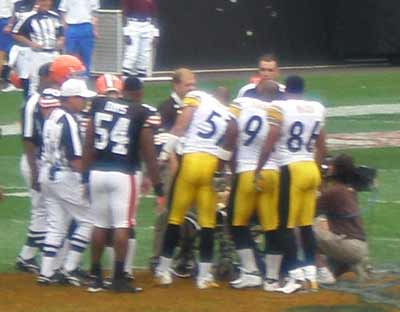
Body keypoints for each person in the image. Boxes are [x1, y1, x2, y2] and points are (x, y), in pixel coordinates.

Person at [82, 76, 164, 293]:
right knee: (122, 225)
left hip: (97, 171)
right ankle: (118, 276)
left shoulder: (99, 103)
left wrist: (84, 175)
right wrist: (158, 185)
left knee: (99, 224)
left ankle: (95, 274)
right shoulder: (140, 111)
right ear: (139, 93)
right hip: (123, 172)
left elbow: (88, 141)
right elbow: (148, 151)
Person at [155, 88, 237, 289]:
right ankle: (204, 277)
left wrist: (165, 154)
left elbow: (180, 126)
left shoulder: (198, 97)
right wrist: (220, 168)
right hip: (210, 164)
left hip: (191, 161)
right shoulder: (229, 114)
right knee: (207, 223)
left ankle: (163, 271)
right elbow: (231, 139)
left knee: (175, 218)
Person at [255, 75, 326, 294]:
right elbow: (322, 146)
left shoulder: (280, 106)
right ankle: (312, 277)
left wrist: (259, 168)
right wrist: (317, 171)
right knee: (305, 225)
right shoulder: (316, 108)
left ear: (287, 90)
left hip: (291, 168)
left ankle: (294, 275)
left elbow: (270, 140)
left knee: (285, 224)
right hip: (310, 168)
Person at [38, 79, 96, 285]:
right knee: (90, 220)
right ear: (71, 98)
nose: (84, 102)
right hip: (64, 175)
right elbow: (75, 157)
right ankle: (69, 267)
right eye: (81, 98)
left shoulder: (52, 115)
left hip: (47, 174)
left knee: (56, 224)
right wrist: (85, 180)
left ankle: (46, 273)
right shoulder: (69, 120)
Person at [227, 82, 281, 290]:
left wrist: (230, 161)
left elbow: (230, 128)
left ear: (257, 91)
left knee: (237, 222)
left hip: (248, 169)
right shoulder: (279, 110)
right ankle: (272, 278)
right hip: (272, 171)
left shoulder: (242, 103)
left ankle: (251, 271)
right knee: (271, 225)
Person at [150, 68, 197, 270]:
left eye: (193, 84)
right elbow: (162, 141)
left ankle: (186, 254)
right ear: (175, 85)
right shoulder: (166, 109)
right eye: (188, 84)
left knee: (193, 213)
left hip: (192, 164)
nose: (192, 88)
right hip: (171, 166)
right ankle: (158, 256)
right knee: (168, 212)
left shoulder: (195, 106)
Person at [313, 154, 369, 284]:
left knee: (302, 230)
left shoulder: (334, 192)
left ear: (337, 170)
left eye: (331, 166)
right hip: (360, 246)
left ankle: (323, 272)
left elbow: (310, 211)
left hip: (348, 246)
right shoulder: (349, 190)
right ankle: (349, 265)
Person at [12, 0, 64, 96]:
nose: (46, 4)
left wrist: (60, 41)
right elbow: (16, 34)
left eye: (48, 1)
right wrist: (31, 43)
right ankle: (33, 103)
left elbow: (61, 33)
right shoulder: (28, 16)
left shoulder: (55, 16)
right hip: (37, 54)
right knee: (35, 82)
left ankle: (53, 101)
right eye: (43, 1)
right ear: (38, 2)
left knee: (56, 79)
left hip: (54, 54)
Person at [58, 0, 100, 76]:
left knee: (86, 56)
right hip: (71, 26)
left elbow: (94, 12)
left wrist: (94, 29)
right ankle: (69, 78)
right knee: (70, 56)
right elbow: (63, 11)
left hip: (86, 25)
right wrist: (65, 28)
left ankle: (85, 78)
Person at [121, 0, 159, 77]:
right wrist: (126, 33)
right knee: (131, 55)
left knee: (144, 56)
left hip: (147, 24)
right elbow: (124, 15)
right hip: (133, 24)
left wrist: (156, 33)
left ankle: (140, 83)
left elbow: (154, 15)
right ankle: (125, 82)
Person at [0, 0, 15, 90]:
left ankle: (7, 79)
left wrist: (10, 24)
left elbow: (14, 8)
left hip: (4, 21)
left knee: (4, 52)